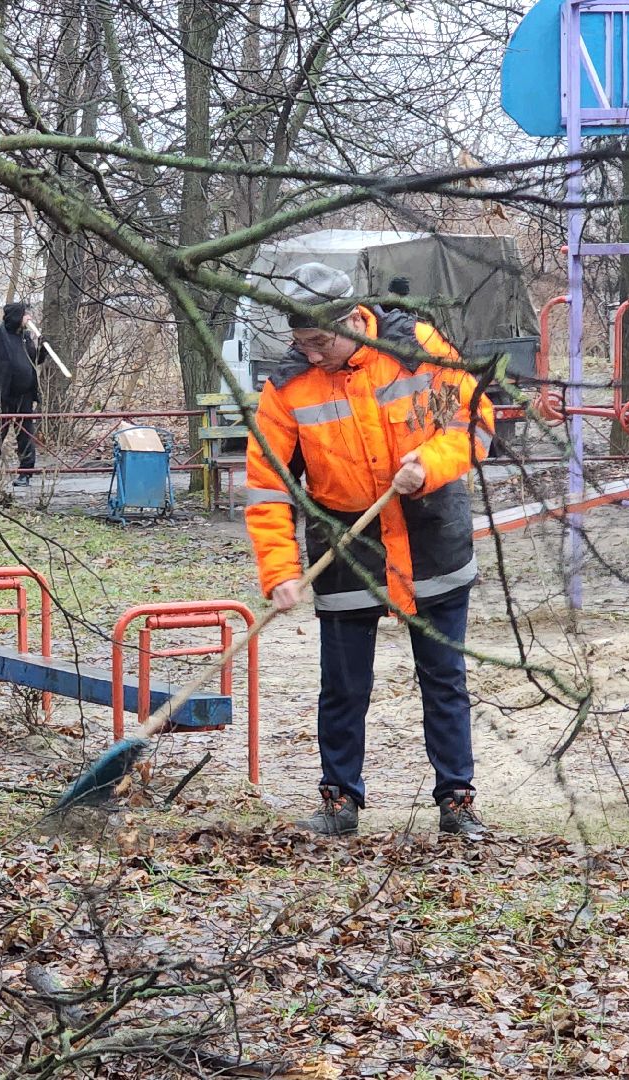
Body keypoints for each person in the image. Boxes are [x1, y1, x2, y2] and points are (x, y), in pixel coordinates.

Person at [242, 262, 496, 839]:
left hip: (430, 529)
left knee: (443, 675)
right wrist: (280, 570)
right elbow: (267, 488)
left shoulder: (416, 347)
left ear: (352, 322)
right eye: (300, 343)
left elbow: (476, 420)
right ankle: (339, 800)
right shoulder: (285, 389)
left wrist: (429, 464)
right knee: (343, 681)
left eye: (320, 342)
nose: (310, 355)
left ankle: (457, 800)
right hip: (345, 538)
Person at [0, 300, 44, 482]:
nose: (28, 318)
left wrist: (42, 348)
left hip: (25, 396)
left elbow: (33, 360)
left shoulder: (25, 336)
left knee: (26, 434)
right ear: (16, 316)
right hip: (1, 396)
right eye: (25, 314)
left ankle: (25, 474)